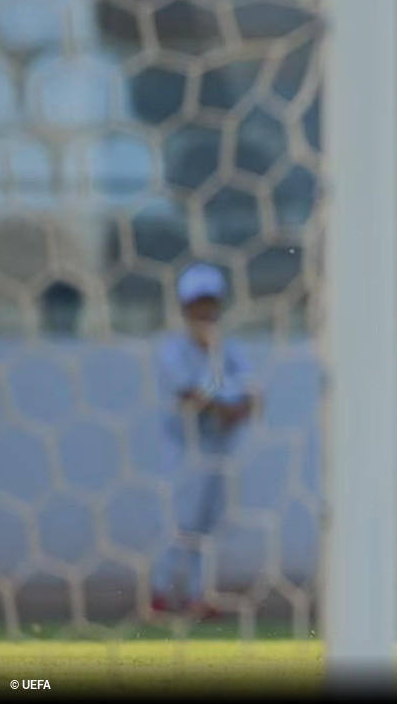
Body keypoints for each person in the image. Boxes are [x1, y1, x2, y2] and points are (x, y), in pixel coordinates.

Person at [149, 262, 258, 619]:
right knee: (179, 522)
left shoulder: (231, 348)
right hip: (183, 449)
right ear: (184, 307)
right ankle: (159, 594)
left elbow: (252, 391)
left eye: (210, 302)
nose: (205, 310)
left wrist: (239, 406)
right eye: (197, 303)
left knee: (209, 526)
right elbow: (192, 394)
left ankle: (200, 596)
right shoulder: (172, 350)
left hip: (218, 450)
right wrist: (225, 407)